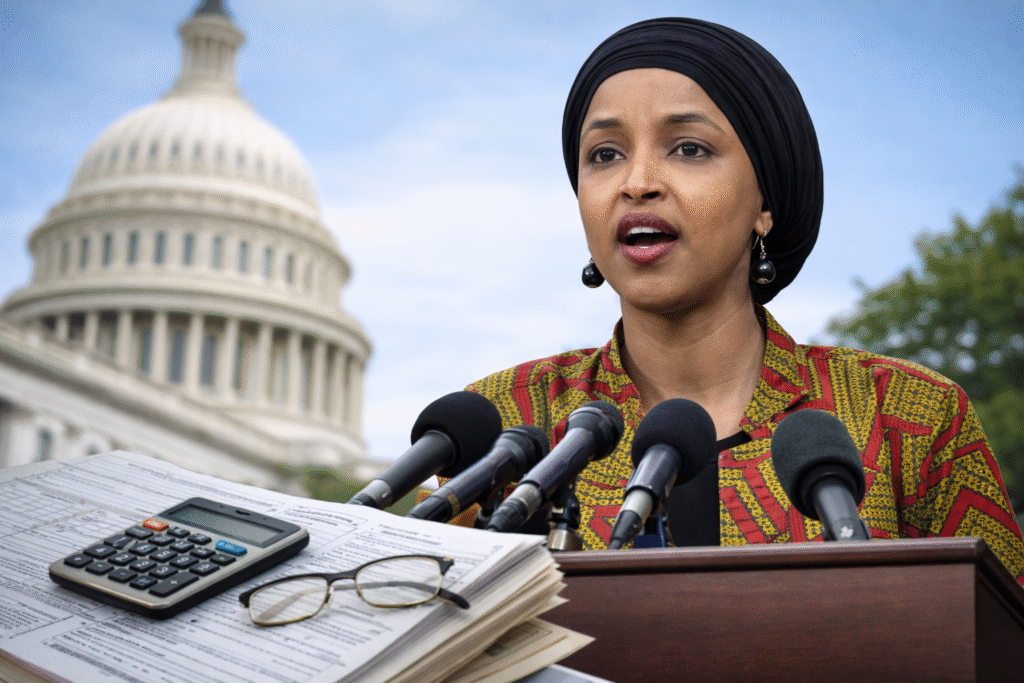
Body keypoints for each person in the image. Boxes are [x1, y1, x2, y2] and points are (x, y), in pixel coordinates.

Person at [462, 17, 1024, 583]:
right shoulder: (506, 422)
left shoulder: (911, 416)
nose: (637, 183)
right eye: (605, 155)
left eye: (688, 148)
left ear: (765, 203)